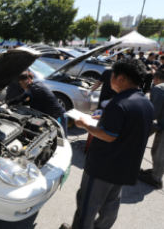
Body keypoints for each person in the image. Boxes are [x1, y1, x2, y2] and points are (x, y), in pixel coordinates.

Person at [60, 59, 154, 229]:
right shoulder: (145, 102)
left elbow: (108, 136)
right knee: (111, 205)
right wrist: (103, 118)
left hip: (103, 169)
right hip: (125, 168)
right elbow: (130, 128)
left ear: (121, 78)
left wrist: (85, 125)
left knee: (87, 206)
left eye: (112, 76)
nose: (110, 80)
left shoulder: (118, 103)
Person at [138, 69, 164, 189]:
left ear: (156, 78)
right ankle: (155, 172)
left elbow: (153, 113)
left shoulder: (158, 88)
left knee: (159, 153)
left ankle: (156, 179)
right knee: (156, 150)